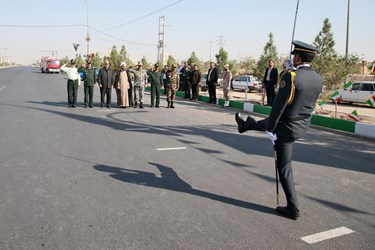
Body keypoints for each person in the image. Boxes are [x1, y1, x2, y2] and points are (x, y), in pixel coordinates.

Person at [234, 40, 324, 220]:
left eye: (294, 55)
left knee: (283, 167)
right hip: (303, 123)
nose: (293, 58)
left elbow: (278, 106)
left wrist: (270, 129)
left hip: (287, 127)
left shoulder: (291, 76)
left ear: (297, 57)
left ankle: (293, 207)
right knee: (271, 122)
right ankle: (247, 124)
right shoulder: (318, 78)